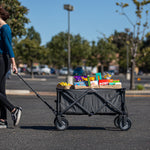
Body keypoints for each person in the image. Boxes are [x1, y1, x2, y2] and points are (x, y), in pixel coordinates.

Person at [0, 5, 22, 128]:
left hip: (2, 60)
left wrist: (14, 64)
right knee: (1, 91)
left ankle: (13, 109)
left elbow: (9, 46)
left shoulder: (5, 28)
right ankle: (2, 119)